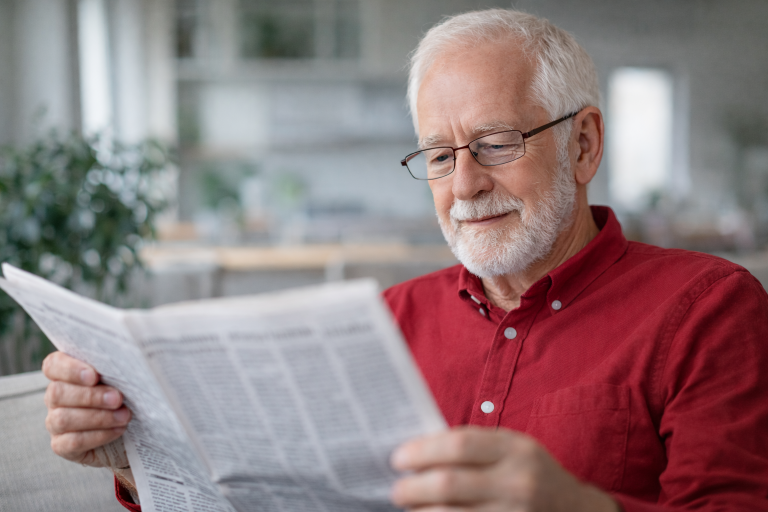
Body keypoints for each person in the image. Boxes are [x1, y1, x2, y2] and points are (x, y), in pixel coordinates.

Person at [42, 8, 768, 512]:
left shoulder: (707, 307)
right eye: (440, 156)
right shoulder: (381, 322)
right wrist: (140, 462)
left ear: (583, 145)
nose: (466, 184)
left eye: (496, 143)